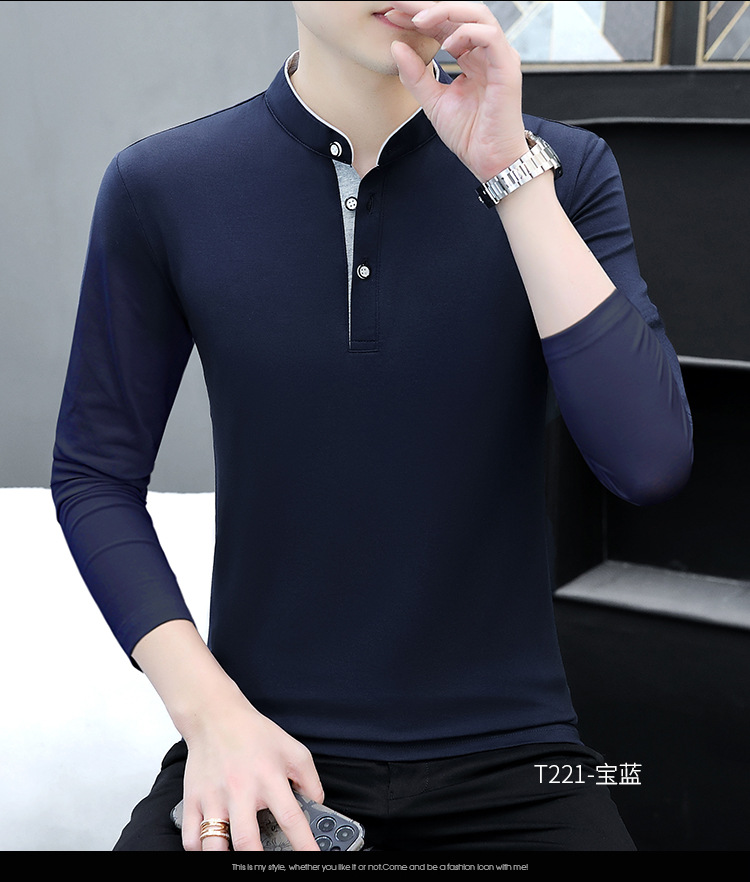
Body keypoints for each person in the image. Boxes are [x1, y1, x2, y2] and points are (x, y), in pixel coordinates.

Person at [51, 1, 693, 852]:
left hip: (522, 759)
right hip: (264, 746)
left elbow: (648, 462)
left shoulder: (563, 170)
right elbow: (94, 475)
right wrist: (211, 716)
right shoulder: (162, 185)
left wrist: (509, 173)